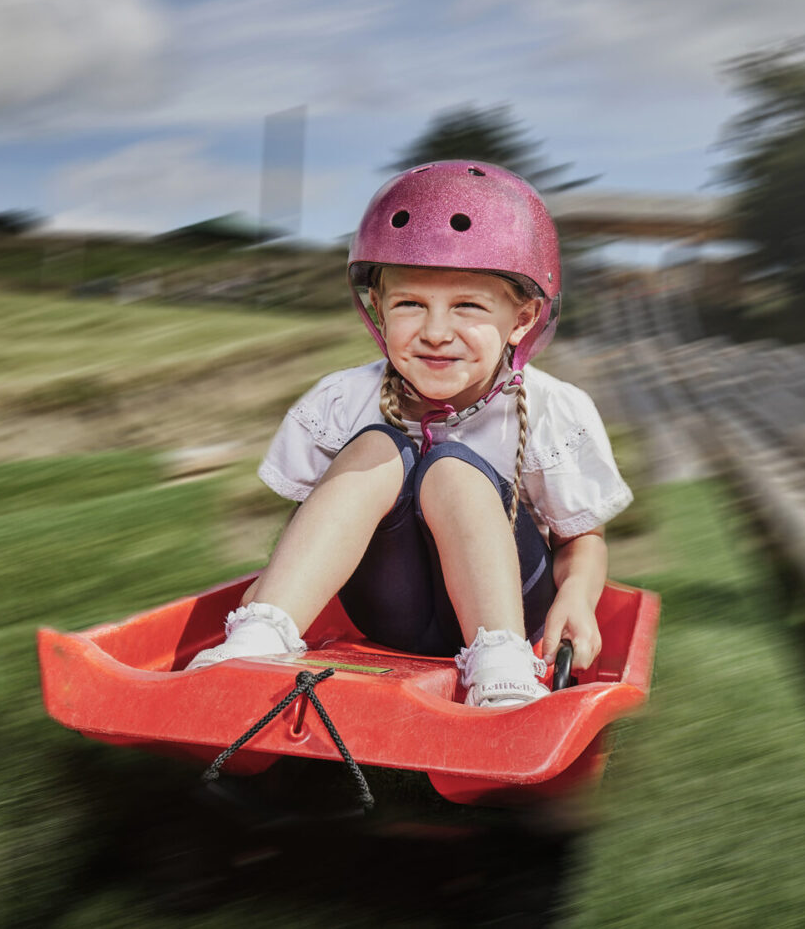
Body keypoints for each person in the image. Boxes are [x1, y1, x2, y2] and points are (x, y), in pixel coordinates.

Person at [185, 160, 633, 707]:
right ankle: (259, 640)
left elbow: (581, 540)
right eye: (410, 305)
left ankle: (501, 667)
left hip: (511, 607)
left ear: (522, 319)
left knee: (451, 467)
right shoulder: (342, 400)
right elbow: (317, 521)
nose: (436, 333)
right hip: (387, 610)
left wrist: (580, 601)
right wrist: (273, 595)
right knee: (378, 446)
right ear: (378, 307)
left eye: (468, 306)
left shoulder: (552, 408)